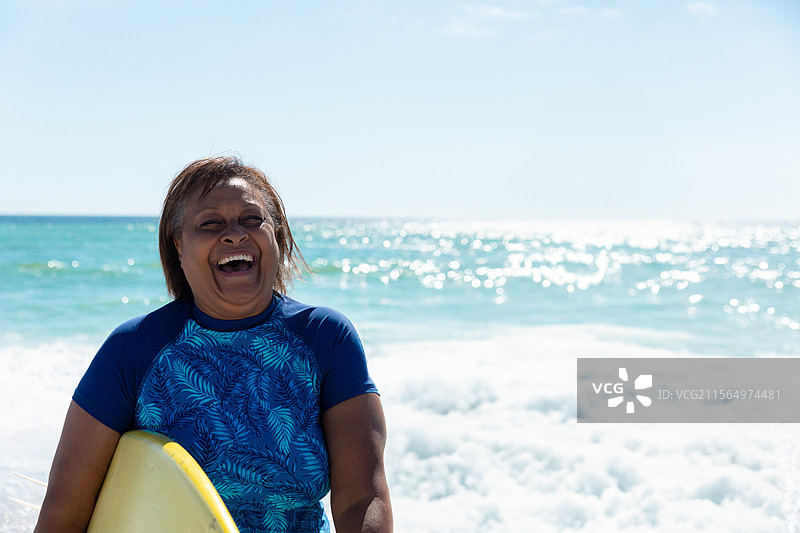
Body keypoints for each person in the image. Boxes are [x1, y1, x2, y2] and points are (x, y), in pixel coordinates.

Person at [34, 156, 393, 533]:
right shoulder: (133, 350)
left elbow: (363, 499)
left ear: (278, 235)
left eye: (252, 219)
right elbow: (64, 512)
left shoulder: (325, 338)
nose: (235, 234)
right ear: (179, 247)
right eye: (210, 223)